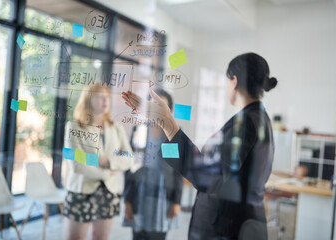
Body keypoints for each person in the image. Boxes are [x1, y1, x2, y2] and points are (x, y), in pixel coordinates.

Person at [122, 52, 277, 240]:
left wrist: (167, 123)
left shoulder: (246, 123)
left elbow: (208, 176)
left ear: (233, 81)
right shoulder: (258, 119)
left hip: (229, 227)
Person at [63, 83, 133, 240]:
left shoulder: (116, 128)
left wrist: (108, 162)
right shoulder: (74, 127)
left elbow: (129, 158)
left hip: (109, 193)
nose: (105, 100)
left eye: (107, 97)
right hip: (81, 191)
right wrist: (108, 173)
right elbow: (77, 164)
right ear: (88, 100)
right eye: (100, 96)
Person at [123, 89, 183, 240]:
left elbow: (179, 171)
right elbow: (130, 165)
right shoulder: (140, 130)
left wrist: (177, 201)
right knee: (137, 234)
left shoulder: (174, 134)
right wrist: (127, 199)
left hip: (163, 193)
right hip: (139, 191)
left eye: (161, 106)